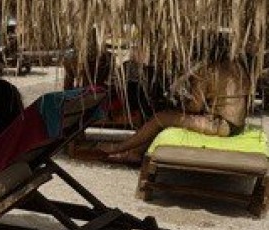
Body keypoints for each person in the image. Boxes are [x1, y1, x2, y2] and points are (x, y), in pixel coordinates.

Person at [99, 52, 251, 164]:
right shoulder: (238, 67)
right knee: (168, 118)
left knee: (161, 117)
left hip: (220, 124)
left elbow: (194, 107)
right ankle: (135, 153)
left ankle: (118, 147)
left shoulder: (208, 69)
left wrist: (181, 101)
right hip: (237, 124)